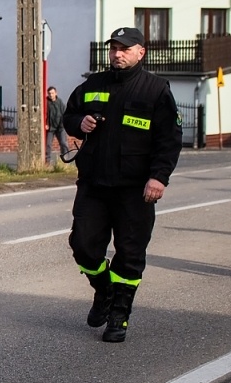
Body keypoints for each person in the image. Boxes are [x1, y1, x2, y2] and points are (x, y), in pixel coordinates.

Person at [61, 26, 181, 343]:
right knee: (83, 246)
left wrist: (159, 176)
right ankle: (104, 292)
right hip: (94, 185)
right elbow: (69, 114)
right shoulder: (93, 85)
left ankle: (119, 315)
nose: (117, 53)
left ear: (141, 52)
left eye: (124, 48)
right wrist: (79, 122)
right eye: (113, 48)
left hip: (135, 189)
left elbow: (169, 139)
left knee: (129, 254)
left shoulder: (155, 90)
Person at [46, 86, 67, 164]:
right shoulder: (46, 102)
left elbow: (64, 113)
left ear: (56, 93)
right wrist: (46, 124)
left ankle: (65, 159)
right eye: (49, 93)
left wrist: (62, 124)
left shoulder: (60, 102)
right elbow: (45, 114)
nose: (51, 95)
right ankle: (47, 161)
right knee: (48, 144)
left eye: (52, 93)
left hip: (60, 127)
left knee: (63, 143)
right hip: (51, 128)